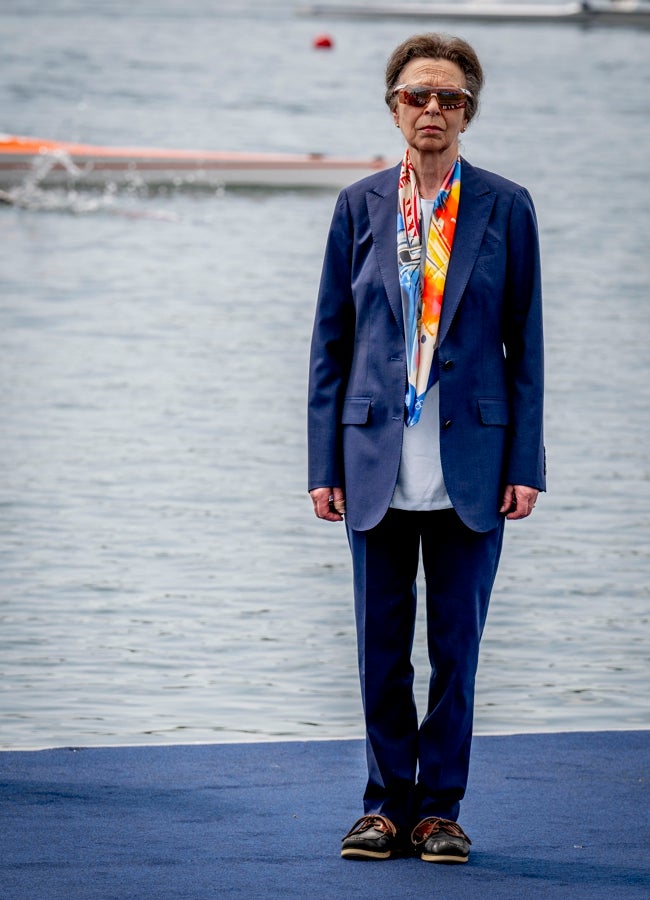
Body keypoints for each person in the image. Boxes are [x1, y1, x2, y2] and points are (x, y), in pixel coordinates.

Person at [307, 32, 545, 864]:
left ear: (469, 111)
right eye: (417, 95)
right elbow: (330, 347)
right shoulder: (358, 206)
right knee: (379, 650)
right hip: (372, 460)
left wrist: (526, 466)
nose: (432, 109)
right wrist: (320, 467)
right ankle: (382, 807)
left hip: (472, 467)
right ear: (394, 106)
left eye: (449, 97)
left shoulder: (505, 206)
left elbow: (527, 345)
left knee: (456, 651)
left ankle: (439, 811)